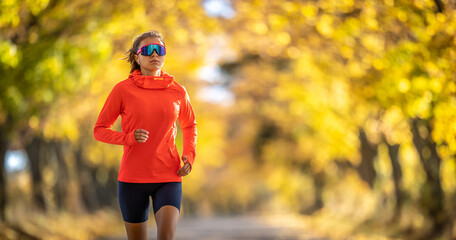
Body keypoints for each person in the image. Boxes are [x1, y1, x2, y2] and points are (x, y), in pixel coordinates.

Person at [93, 30, 197, 240]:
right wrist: (128, 137)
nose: (154, 55)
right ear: (136, 56)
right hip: (132, 178)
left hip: (169, 175)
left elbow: (189, 125)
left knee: (166, 237)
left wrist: (189, 155)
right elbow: (99, 130)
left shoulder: (178, 91)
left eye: (159, 50)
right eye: (148, 50)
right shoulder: (122, 90)